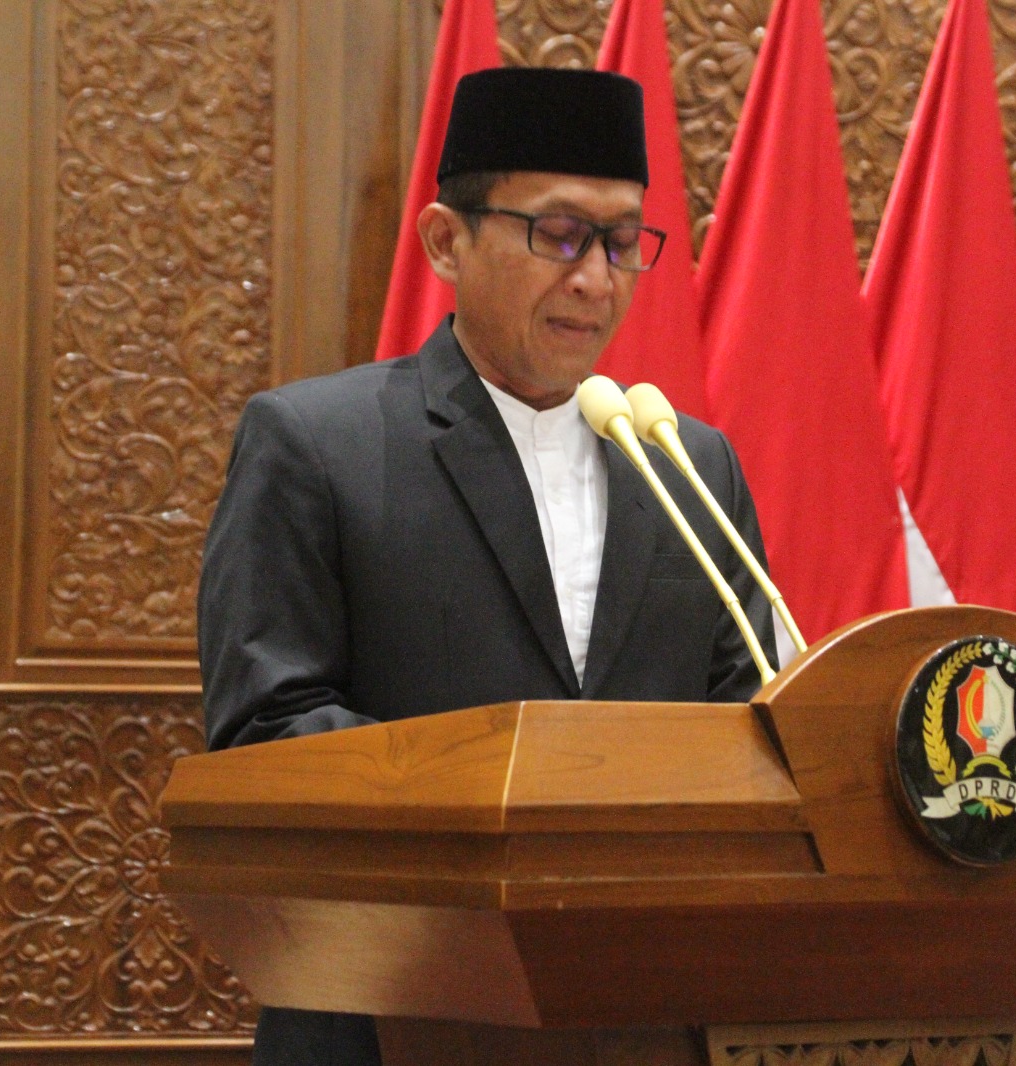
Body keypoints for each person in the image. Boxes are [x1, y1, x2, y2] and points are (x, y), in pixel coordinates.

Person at [197, 67, 777, 1066]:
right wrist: (514, 799)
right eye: (559, 234)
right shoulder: (318, 445)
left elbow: (748, 719)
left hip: (645, 1015)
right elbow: (266, 732)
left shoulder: (688, 463)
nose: (595, 279)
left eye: (622, 241)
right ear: (445, 241)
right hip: (390, 1015)